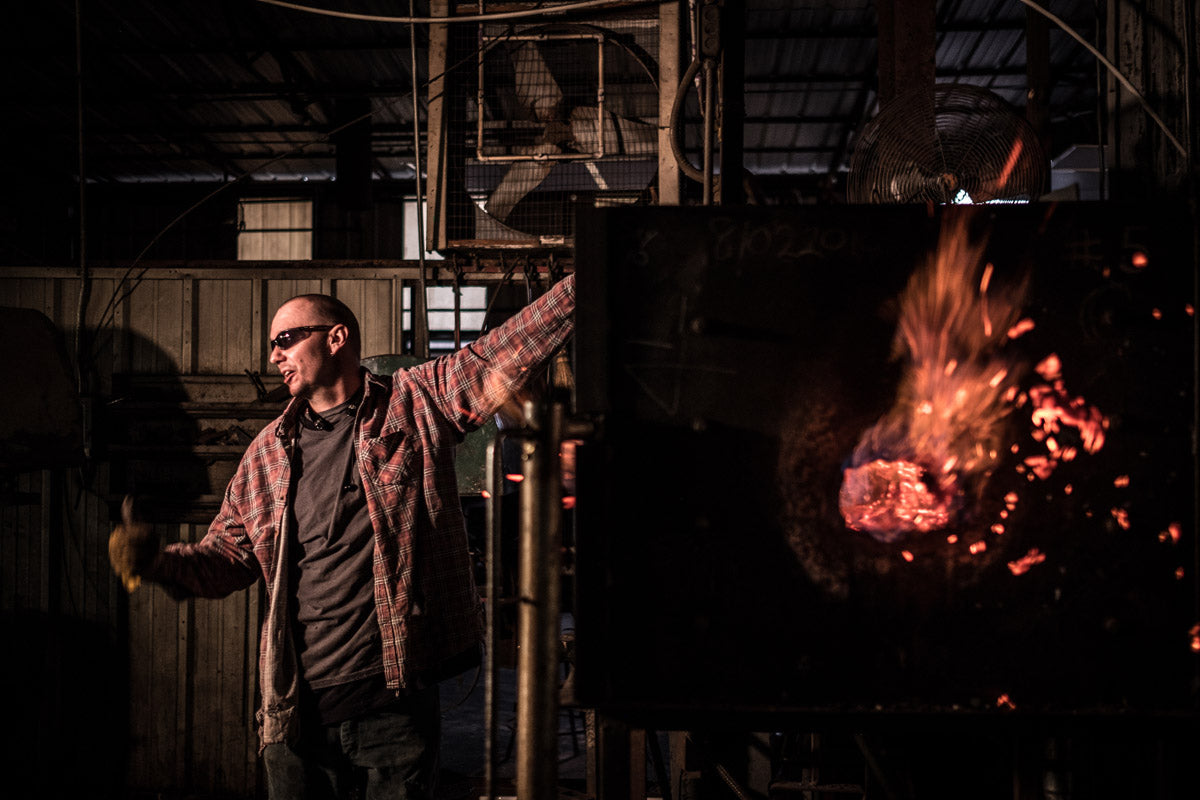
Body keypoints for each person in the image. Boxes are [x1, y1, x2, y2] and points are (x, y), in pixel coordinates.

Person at [108, 273, 576, 799]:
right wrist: (158, 561)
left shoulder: (413, 403)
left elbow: (502, 352)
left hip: (392, 703)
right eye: (273, 345)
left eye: (286, 339)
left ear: (336, 338)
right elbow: (227, 558)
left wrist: (591, 278)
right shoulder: (267, 454)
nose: (274, 356)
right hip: (296, 710)